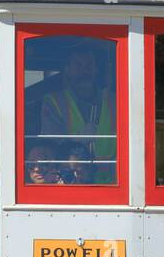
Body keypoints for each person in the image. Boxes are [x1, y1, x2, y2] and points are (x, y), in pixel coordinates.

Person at [40, 43, 116, 184]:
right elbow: (49, 144)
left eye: (89, 65)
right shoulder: (54, 101)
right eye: (78, 65)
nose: (84, 70)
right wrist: (78, 139)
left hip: (110, 183)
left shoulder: (115, 101)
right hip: (71, 180)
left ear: (96, 69)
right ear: (67, 70)